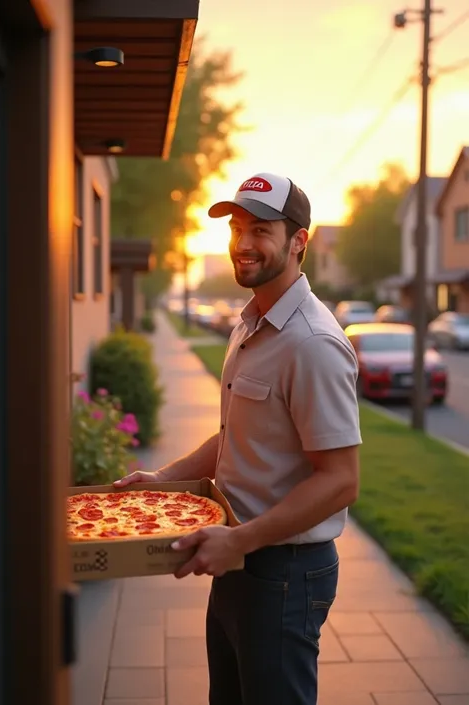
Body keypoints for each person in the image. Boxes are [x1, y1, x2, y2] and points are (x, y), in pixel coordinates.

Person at [114, 172, 362, 705]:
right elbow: (236, 436)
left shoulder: (313, 342)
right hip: (236, 557)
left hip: (284, 573)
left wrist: (239, 541)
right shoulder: (250, 324)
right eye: (237, 228)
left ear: (299, 242)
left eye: (262, 230)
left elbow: (341, 481)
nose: (243, 243)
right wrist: (164, 479)